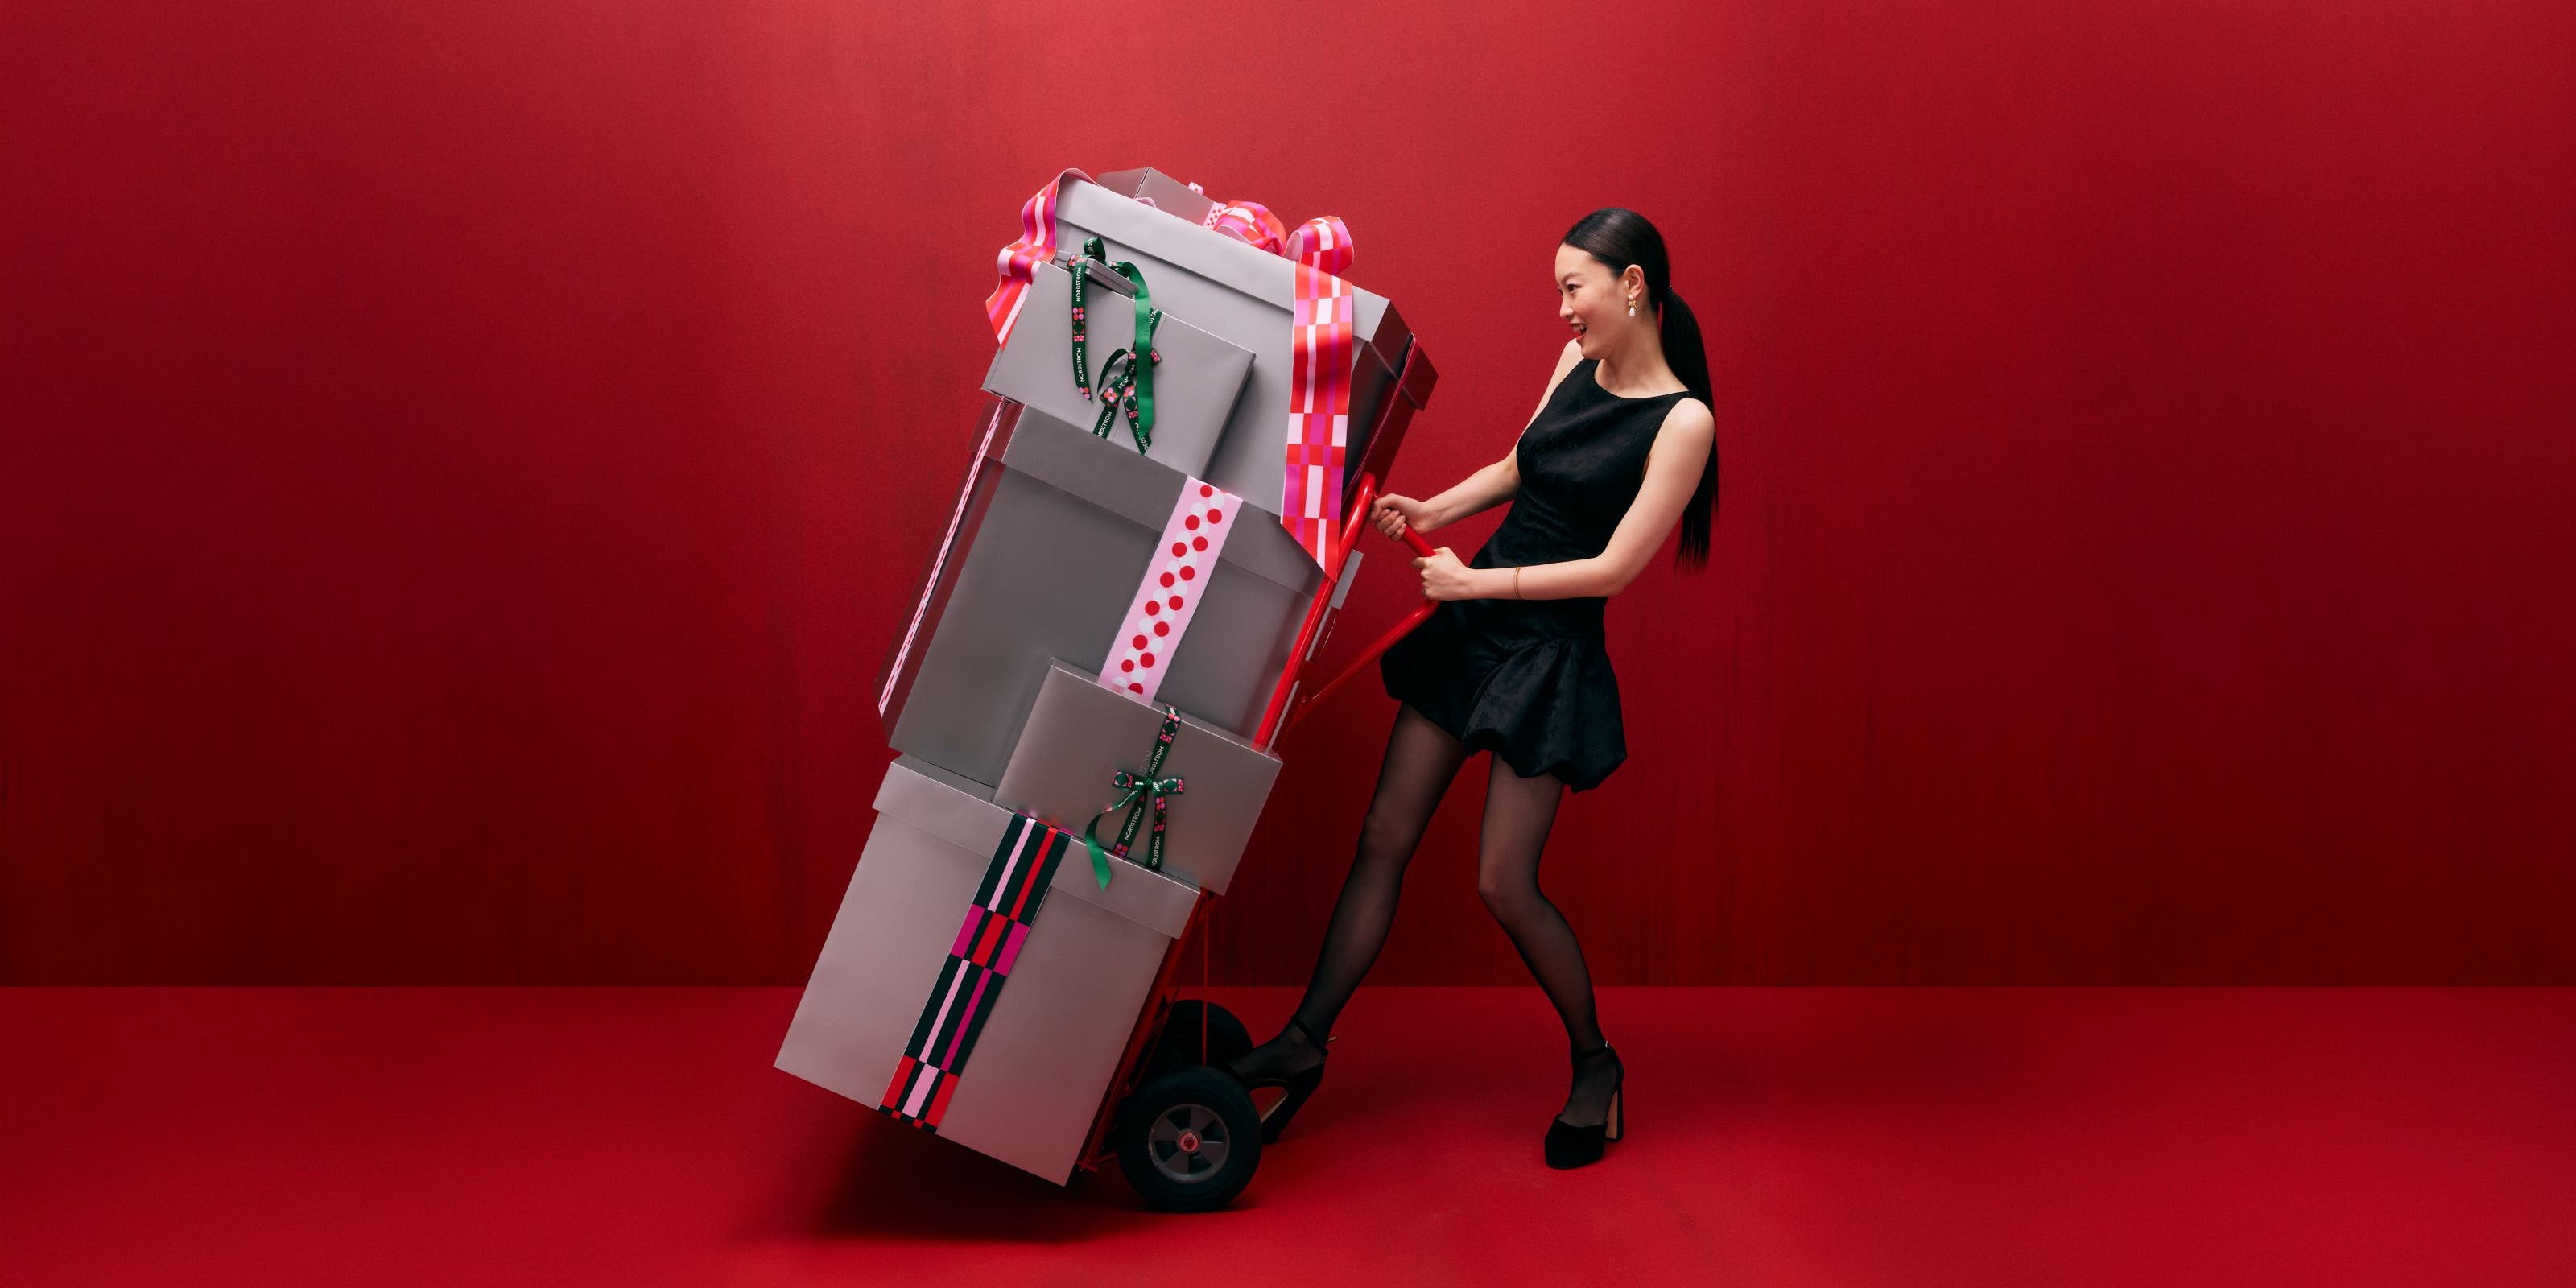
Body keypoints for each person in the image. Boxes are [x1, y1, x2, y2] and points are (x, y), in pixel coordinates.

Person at [1226, 208, 1720, 1170]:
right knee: (1382, 839)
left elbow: (1613, 569)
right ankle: (1304, 1041)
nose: (1560, 309)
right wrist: (1433, 506)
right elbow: (1515, 467)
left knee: (1502, 881)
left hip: (1548, 649)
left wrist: (1469, 581)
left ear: (1630, 285)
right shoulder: (1575, 365)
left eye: (1572, 286)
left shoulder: (1683, 419)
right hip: (1477, 619)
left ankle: (1594, 1063)